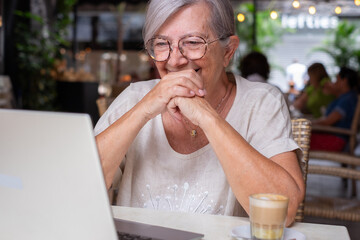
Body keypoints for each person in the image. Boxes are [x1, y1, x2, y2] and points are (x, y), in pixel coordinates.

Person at [94, 0, 304, 226]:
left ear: (228, 51)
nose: (174, 60)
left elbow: (286, 211)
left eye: (193, 42)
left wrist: (207, 117)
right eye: (162, 44)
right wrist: (144, 109)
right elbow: (77, 186)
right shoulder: (135, 99)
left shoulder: (260, 103)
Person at [311, 67, 359, 151]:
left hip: (337, 140)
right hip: (334, 137)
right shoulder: (346, 97)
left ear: (344, 81)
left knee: (298, 139)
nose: (334, 83)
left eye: (337, 79)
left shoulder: (347, 99)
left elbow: (327, 122)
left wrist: (307, 124)